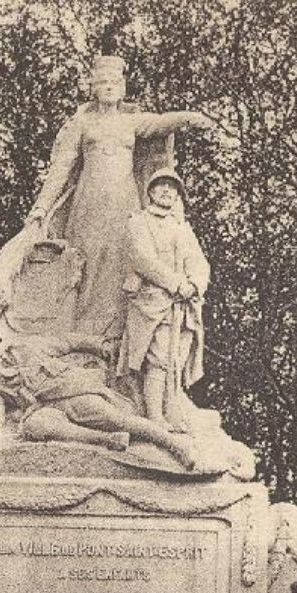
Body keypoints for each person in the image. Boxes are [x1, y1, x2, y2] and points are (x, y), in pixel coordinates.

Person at [0, 56, 212, 340]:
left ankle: (118, 338)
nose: (109, 87)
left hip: (125, 202)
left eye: (114, 83)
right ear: (93, 88)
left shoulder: (131, 122)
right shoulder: (82, 124)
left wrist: (189, 118)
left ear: (122, 88)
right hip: (89, 202)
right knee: (87, 264)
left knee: (124, 263)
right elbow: (61, 169)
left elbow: (161, 123)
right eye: (102, 83)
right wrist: (41, 207)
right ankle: (83, 336)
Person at [0, 335, 197, 468]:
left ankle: (175, 446)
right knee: (34, 426)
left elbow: (68, 342)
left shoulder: (25, 348)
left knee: (119, 420)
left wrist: (100, 347)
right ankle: (106, 441)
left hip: (74, 392)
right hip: (48, 408)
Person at [119, 168, 208, 433]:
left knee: (175, 359)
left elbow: (198, 261)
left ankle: (172, 412)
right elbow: (142, 259)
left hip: (182, 305)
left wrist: (193, 284)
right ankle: (154, 416)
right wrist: (175, 283)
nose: (167, 191)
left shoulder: (182, 227)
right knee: (157, 358)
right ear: (151, 192)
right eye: (161, 186)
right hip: (152, 302)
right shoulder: (139, 221)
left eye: (172, 187)